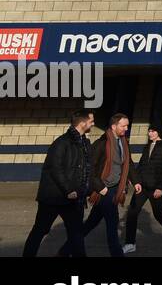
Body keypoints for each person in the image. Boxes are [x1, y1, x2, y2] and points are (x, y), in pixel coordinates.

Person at [60, 113, 136, 257]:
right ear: (114, 126)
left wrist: (136, 181)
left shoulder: (124, 142)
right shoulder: (101, 143)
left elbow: (128, 163)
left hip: (115, 188)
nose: (126, 128)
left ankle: (64, 251)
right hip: (104, 191)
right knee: (112, 226)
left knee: (90, 224)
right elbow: (91, 168)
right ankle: (117, 254)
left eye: (127, 125)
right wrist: (101, 188)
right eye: (123, 126)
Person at [22, 110, 94, 258]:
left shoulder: (85, 143)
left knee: (76, 233)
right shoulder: (62, 142)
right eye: (91, 121)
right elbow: (55, 168)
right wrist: (68, 189)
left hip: (74, 199)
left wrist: (85, 189)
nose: (93, 123)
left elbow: (85, 169)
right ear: (82, 123)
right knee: (40, 230)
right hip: (54, 197)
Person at [124, 123, 162, 252]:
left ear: (159, 132)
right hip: (142, 186)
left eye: (153, 131)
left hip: (156, 187)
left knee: (158, 213)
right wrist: (135, 180)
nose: (150, 134)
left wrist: (160, 188)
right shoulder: (148, 146)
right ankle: (130, 244)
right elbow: (141, 165)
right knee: (132, 213)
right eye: (149, 131)